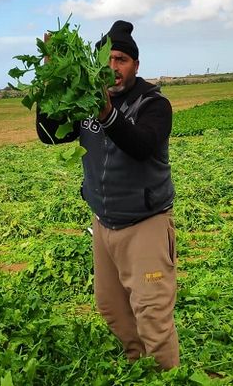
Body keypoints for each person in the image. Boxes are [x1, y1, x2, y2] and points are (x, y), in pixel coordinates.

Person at [36, 20, 179, 369]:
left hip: (145, 224)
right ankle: (137, 364)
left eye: (121, 60)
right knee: (111, 307)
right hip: (103, 225)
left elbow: (141, 146)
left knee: (152, 316)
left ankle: (166, 374)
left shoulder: (154, 104)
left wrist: (107, 114)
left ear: (135, 65)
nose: (113, 68)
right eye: (107, 60)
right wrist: (52, 80)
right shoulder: (85, 103)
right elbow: (48, 134)